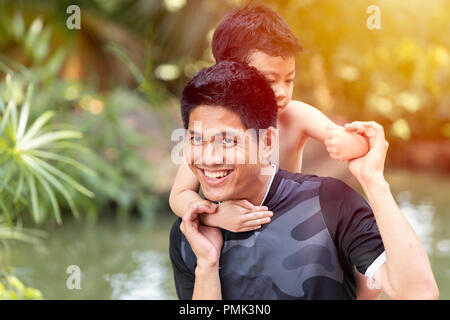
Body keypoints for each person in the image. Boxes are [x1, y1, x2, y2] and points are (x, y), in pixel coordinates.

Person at [169, 61, 438, 300]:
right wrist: (207, 264)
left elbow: (419, 294)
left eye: (227, 140)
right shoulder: (188, 233)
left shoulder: (329, 203)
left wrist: (373, 181)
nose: (209, 158)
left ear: (267, 142)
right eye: (196, 139)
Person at [169, 5, 374, 298]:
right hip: (231, 232)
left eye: (288, 80)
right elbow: (179, 197)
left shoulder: (296, 115)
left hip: (290, 229)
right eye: (269, 80)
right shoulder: (209, 138)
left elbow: (354, 141)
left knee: (355, 266)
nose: (280, 91)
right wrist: (216, 217)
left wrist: (352, 144)